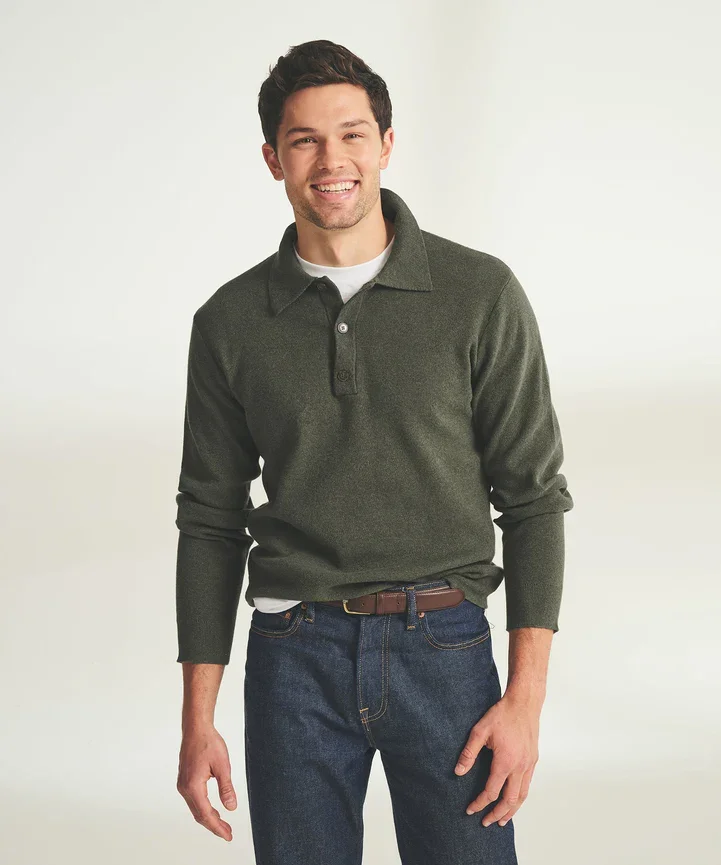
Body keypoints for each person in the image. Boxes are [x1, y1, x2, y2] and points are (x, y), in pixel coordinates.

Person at [174, 39, 574, 865]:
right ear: (271, 159)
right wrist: (196, 716)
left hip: (447, 650)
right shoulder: (229, 323)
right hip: (292, 660)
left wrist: (525, 701)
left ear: (386, 145)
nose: (332, 160)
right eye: (304, 140)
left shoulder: (478, 294)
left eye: (352, 134)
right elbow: (210, 521)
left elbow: (532, 499)